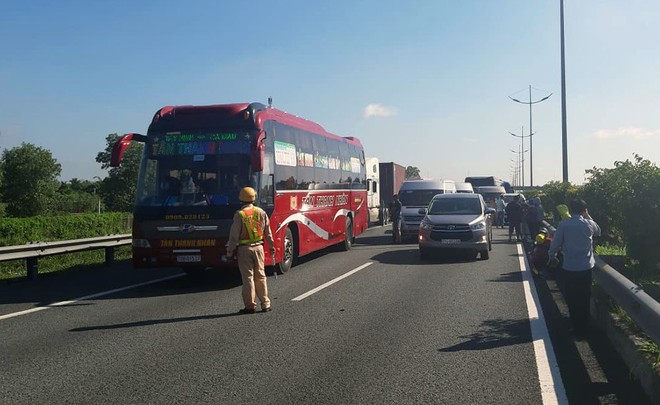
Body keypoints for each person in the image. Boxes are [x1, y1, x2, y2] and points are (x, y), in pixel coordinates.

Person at [547, 198, 601, 338]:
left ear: (570, 210)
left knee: (572, 298)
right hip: (586, 267)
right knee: (584, 297)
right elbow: (598, 231)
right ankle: (585, 326)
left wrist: (552, 255)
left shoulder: (564, 224)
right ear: (584, 211)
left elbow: (556, 243)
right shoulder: (589, 224)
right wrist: (588, 215)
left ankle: (576, 326)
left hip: (570, 267)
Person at [226, 187, 276, 314]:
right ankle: (265, 303)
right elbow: (268, 233)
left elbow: (233, 237)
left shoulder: (239, 215)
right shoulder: (261, 212)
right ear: (254, 198)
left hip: (244, 249)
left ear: (241, 199)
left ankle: (250, 306)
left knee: (248, 277)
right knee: (260, 276)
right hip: (259, 247)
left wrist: (229, 252)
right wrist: (271, 247)